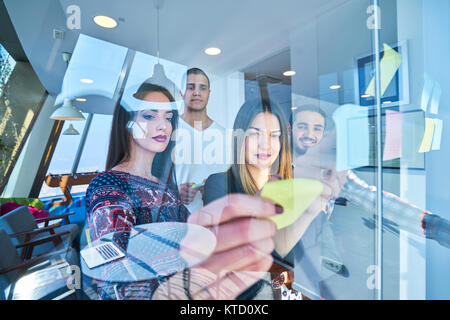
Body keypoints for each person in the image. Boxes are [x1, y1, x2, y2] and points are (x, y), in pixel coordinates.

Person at [85, 84, 278, 300]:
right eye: (149, 116)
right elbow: (115, 276)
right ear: (126, 123)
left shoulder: (165, 188)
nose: (163, 126)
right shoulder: (108, 186)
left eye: (168, 118)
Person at [203, 98, 338, 298]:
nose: (265, 144)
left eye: (274, 136)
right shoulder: (220, 184)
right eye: (255, 134)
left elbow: (329, 260)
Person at [173, 68, 230, 213]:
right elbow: (154, 181)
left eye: (202, 88)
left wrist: (214, 187)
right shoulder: (168, 131)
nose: (197, 92)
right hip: (179, 221)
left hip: (218, 220)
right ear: (181, 93)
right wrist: (174, 192)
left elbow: (233, 183)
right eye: (190, 87)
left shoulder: (225, 136)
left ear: (209, 93)